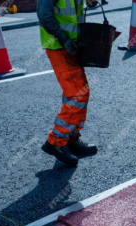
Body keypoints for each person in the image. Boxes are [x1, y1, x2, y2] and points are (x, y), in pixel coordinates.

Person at [37, 0, 98, 167]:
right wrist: (64, 40)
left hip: (71, 44)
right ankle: (55, 142)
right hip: (59, 46)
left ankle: (70, 138)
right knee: (77, 95)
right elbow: (44, 15)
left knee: (80, 92)